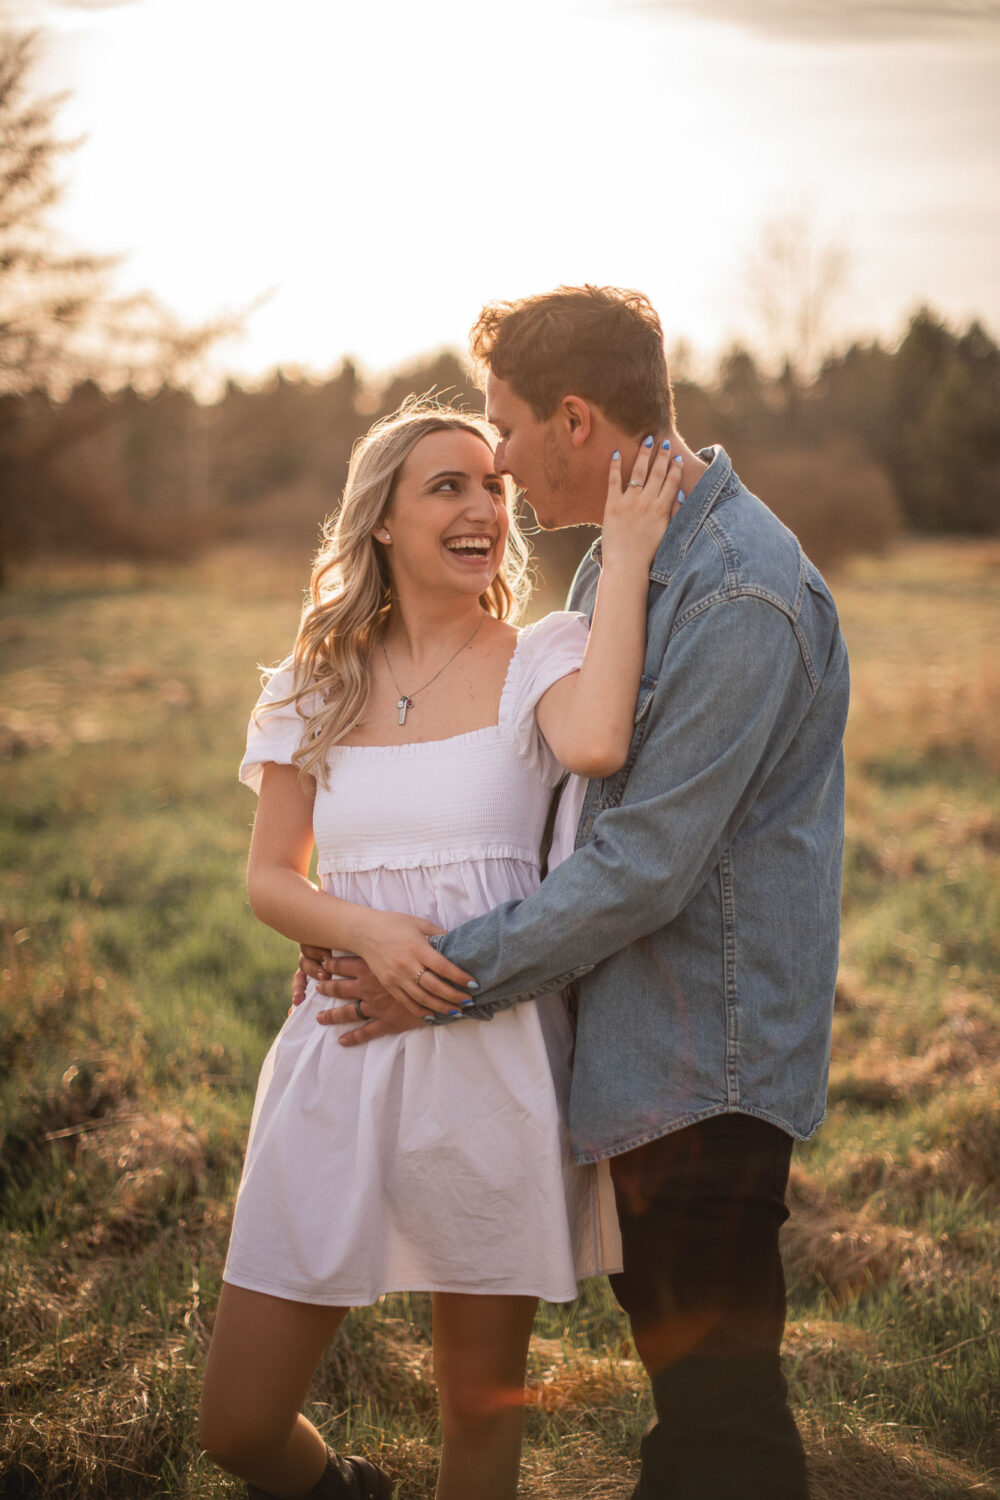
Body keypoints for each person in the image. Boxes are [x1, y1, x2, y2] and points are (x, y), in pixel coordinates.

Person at [302, 286, 851, 1499]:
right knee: (699, 1410)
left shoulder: (738, 596)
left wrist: (438, 976)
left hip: (704, 1068)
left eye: (501, 426)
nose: (492, 460)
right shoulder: (624, 555)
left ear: (575, 417)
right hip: (639, 1055)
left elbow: (640, 867)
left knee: (720, 1431)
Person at [197, 398, 685, 1500]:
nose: (482, 506)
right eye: (446, 486)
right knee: (236, 1423)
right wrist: (361, 924)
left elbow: (599, 741)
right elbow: (271, 875)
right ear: (380, 520)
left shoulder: (540, 654)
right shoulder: (310, 680)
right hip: (341, 1045)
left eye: (492, 484)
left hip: (491, 1055)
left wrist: (632, 551)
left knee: (476, 1411)